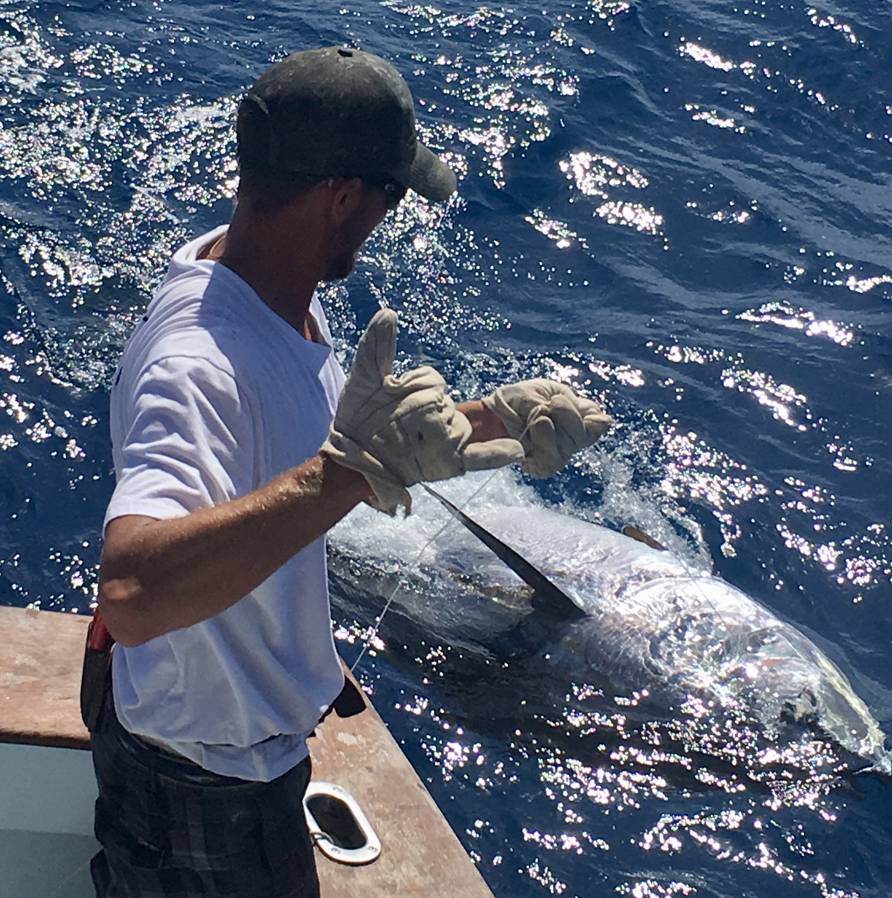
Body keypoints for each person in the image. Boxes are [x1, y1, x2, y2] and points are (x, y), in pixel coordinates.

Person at [91, 46, 612, 897]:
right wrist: (347, 473)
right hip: (204, 782)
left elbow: (301, 449)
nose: (387, 218)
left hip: (205, 743)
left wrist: (493, 421)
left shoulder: (268, 283)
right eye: (389, 196)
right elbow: (134, 594)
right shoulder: (200, 364)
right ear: (340, 198)